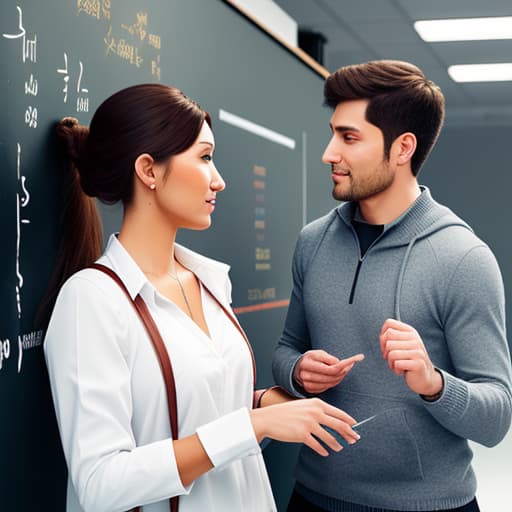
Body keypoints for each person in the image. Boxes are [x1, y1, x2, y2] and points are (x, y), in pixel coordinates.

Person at [42, 83, 362, 512]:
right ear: (149, 171)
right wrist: (254, 425)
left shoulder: (209, 282)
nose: (219, 179)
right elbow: (101, 483)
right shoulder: (91, 301)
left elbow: (200, 408)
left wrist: (269, 404)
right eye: (205, 157)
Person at [272, 60, 512, 512]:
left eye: (349, 137)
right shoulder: (312, 242)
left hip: (429, 505)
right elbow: (285, 348)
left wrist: (433, 384)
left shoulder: (464, 259)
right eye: (333, 133)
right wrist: (297, 370)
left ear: (402, 148)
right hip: (312, 498)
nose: (328, 153)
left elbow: (497, 415)